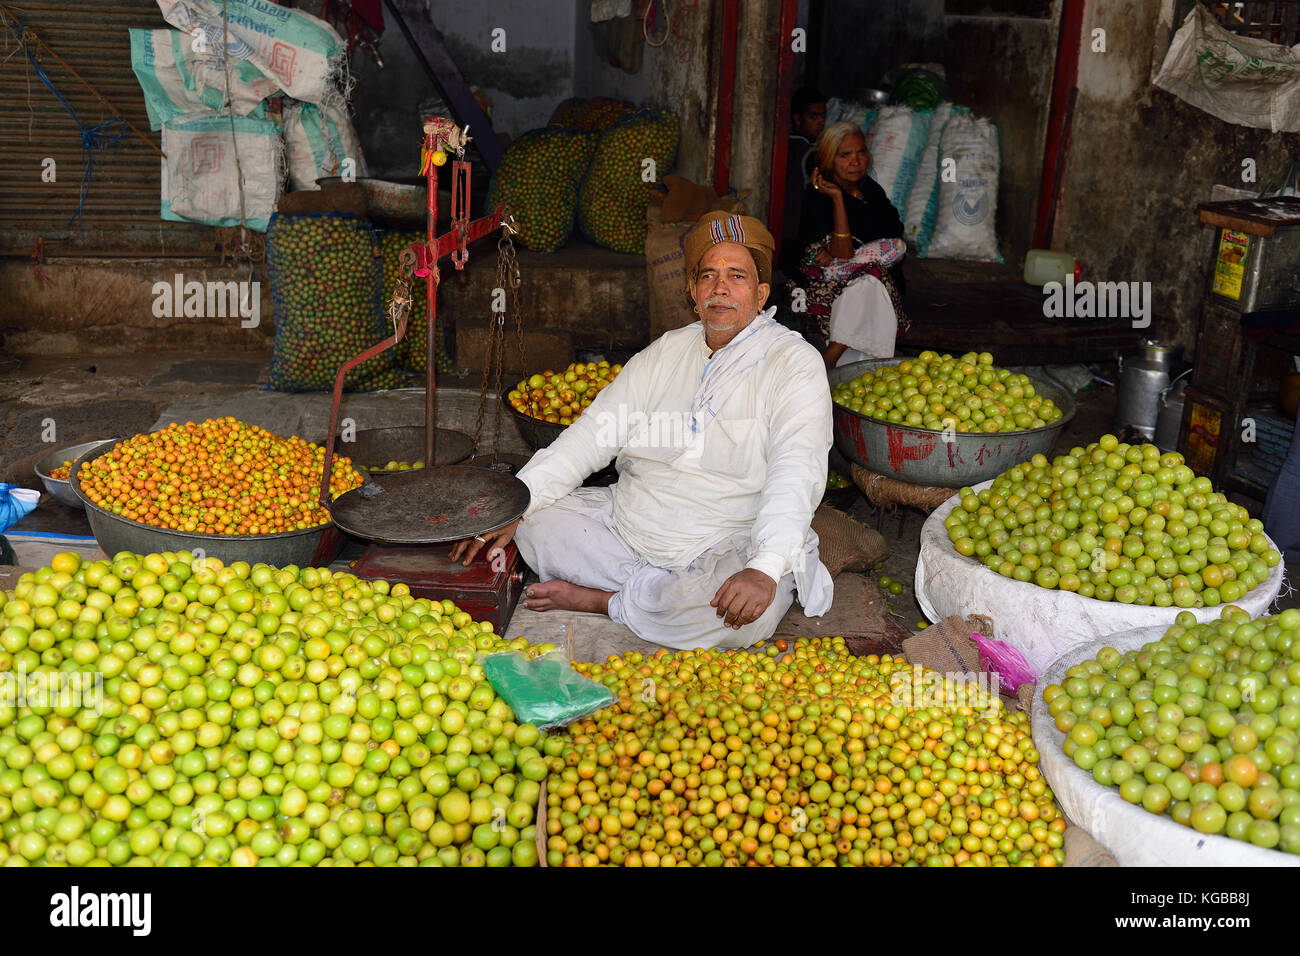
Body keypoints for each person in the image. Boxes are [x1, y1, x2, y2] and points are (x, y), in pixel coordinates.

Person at [449, 212, 834, 650]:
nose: (720, 287)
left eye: (736, 276)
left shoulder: (793, 363)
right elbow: (592, 435)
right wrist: (517, 503)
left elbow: (796, 470)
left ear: (761, 293)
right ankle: (656, 601)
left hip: (724, 540)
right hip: (631, 528)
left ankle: (605, 601)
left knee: (749, 612)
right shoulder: (667, 351)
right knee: (534, 521)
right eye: (707, 275)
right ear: (692, 293)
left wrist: (764, 567)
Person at [797, 120, 909, 369]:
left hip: (874, 282)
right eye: (845, 155)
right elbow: (844, 251)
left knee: (871, 279)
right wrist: (837, 198)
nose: (855, 161)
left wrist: (856, 253)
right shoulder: (817, 197)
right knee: (871, 281)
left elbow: (895, 234)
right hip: (831, 284)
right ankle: (833, 360)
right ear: (828, 158)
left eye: (861, 152)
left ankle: (831, 361)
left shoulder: (871, 190)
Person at [780, 87, 827, 276]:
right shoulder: (806, 151)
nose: (821, 122)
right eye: (813, 116)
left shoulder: (787, 143)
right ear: (797, 118)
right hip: (797, 231)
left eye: (823, 116)